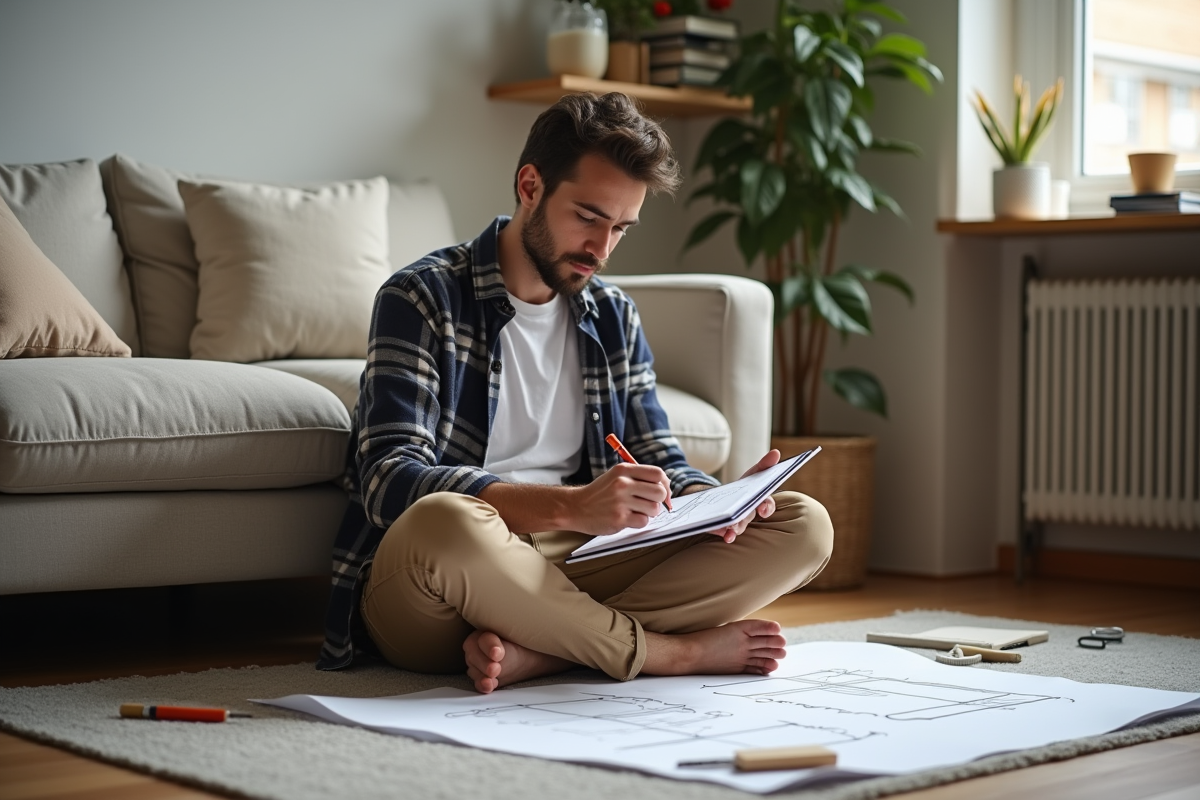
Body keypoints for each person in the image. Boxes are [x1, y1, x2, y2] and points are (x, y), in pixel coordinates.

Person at [317, 92, 834, 692]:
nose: (602, 248)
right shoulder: (422, 297)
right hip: (443, 585)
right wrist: (572, 505)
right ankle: (670, 654)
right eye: (588, 217)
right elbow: (389, 480)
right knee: (445, 521)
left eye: (621, 228)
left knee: (805, 524)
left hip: (574, 569)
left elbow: (659, 461)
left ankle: (547, 653)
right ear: (530, 185)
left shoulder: (614, 315)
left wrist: (726, 506)